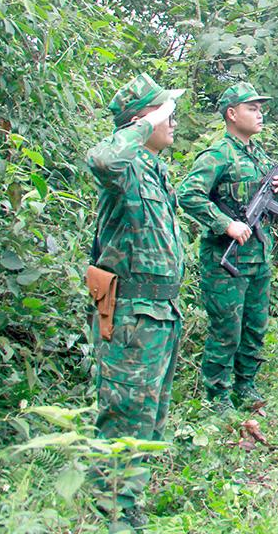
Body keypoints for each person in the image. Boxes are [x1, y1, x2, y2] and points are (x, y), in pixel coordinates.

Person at [85, 73, 185, 531]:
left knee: (150, 416)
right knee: (125, 414)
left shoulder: (152, 168)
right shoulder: (123, 163)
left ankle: (129, 500)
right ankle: (112, 510)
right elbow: (102, 155)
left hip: (161, 311)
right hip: (131, 313)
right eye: (166, 113)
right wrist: (147, 121)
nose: (173, 121)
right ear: (141, 120)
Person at [177, 82, 278, 414]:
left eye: (259, 108)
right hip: (225, 262)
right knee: (226, 329)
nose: (259, 113)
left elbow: (275, 197)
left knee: (255, 326)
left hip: (257, 257)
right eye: (252, 108)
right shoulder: (217, 155)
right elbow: (189, 194)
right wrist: (224, 223)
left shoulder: (259, 155)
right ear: (231, 113)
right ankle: (217, 396)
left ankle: (246, 385)